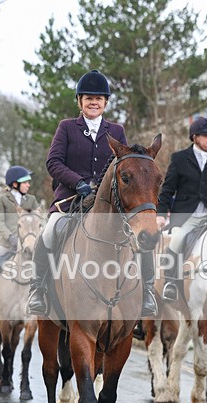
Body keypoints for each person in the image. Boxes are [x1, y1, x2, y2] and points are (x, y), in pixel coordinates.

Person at [28, 69, 157, 318]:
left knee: (139, 235)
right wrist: (78, 182)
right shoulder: (67, 128)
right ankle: (38, 289)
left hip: (108, 203)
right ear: (80, 101)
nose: (94, 102)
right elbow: (53, 162)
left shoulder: (116, 131)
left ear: (105, 102)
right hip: (71, 199)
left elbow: (124, 165)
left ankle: (147, 291)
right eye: (88, 98)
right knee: (49, 231)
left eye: (99, 98)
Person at [156, 116, 207, 300]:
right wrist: (160, 214)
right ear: (195, 137)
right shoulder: (179, 159)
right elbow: (167, 190)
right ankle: (170, 282)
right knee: (177, 239)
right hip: (187, 216)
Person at [0, 165, 39, 312]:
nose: (28, 185)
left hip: (29, 242)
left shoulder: (32, 200)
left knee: (46, 263)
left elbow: (38, 219)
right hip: (6, 243)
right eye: (25, 182)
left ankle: (42, 297)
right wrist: (10, 237)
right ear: (15, 184)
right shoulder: (3, 200)